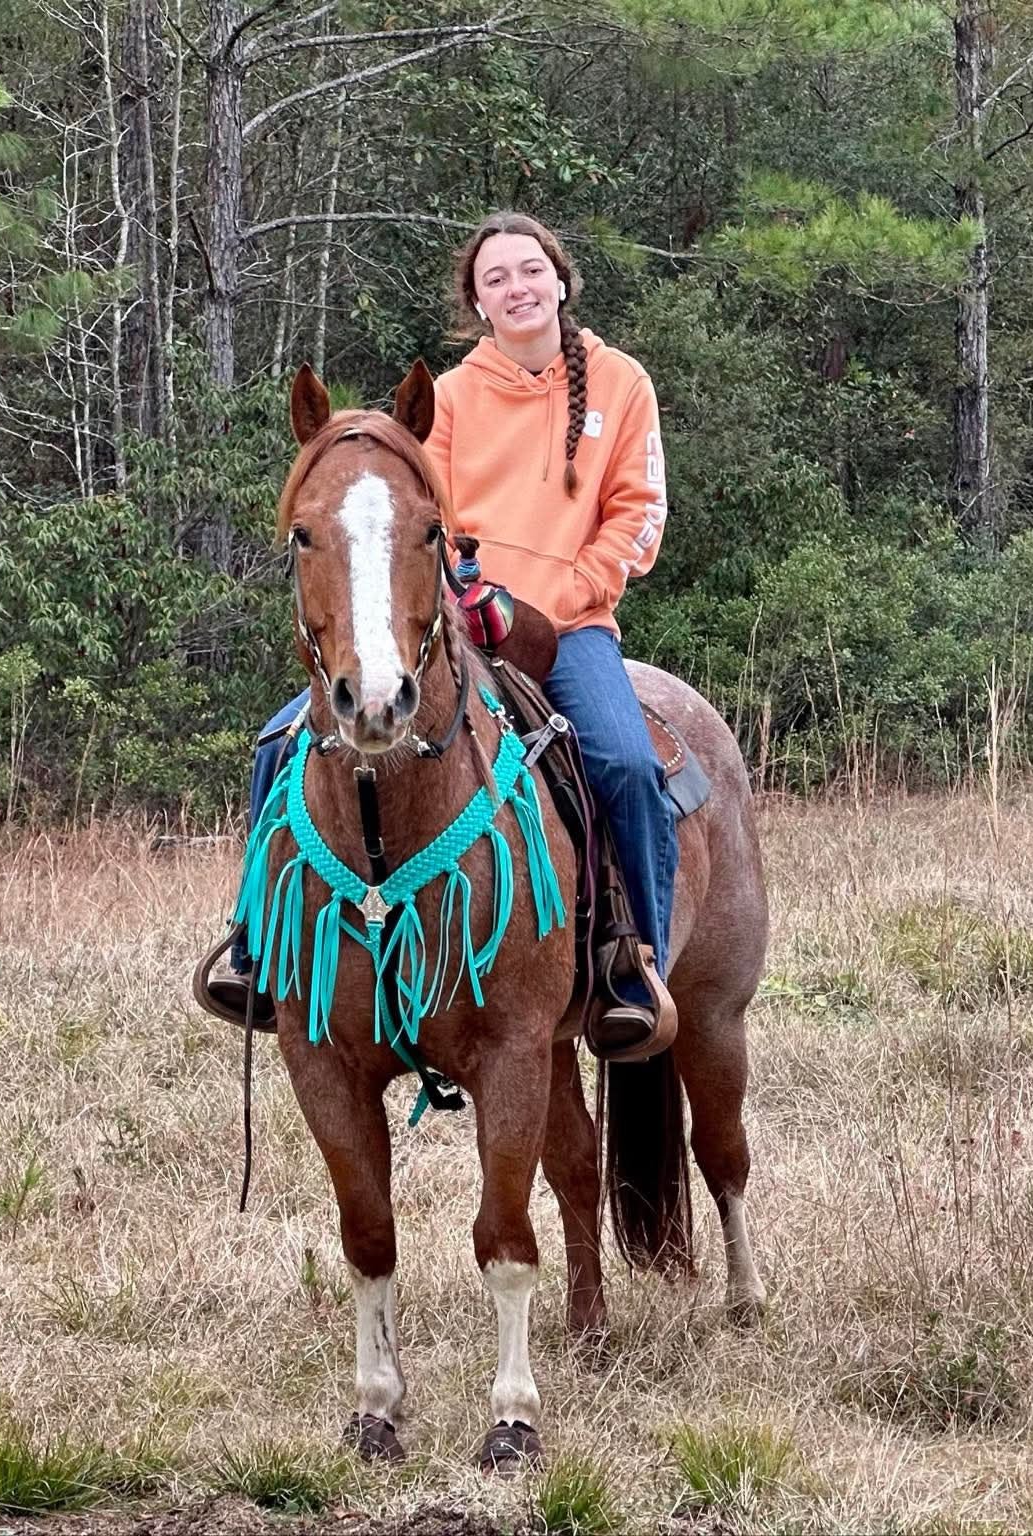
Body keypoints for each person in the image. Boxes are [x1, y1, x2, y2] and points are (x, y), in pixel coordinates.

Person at [197, 210, 678, 1059]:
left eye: (530, 270)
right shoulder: (448, 398)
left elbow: (637, 518)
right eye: (496, 280)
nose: (517, 288)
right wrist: (463, 594)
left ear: (560, 279)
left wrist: (563, 596)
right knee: (278, 742)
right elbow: (425, 522)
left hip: (572, 631)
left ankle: (631, 960)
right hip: (460, 623)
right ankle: (256, 947)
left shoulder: (624, 383)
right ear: (478, 305)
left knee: (628, 763)